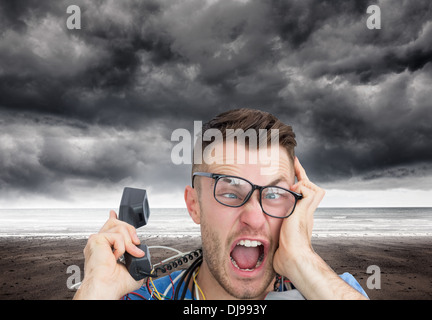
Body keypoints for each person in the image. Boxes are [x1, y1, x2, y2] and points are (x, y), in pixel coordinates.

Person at [74, 108, 368, 300]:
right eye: (230, 193)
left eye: (274, 194)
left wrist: (303, 261)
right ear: (194, 205)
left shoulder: (329, 289)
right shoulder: (147, 297)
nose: (253, 218)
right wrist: (95, 289)